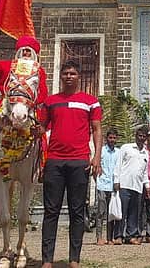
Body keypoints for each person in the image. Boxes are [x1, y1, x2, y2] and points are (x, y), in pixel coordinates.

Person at [40, 60, 103, 268]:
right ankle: (47, 260)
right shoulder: (50, 102)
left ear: (79, 76)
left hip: (79, 161)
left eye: (72, 73)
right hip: (55, 161)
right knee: (51, 212)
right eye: (65, 73)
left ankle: (74, 259)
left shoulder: (90, 102)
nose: (68, 76)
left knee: (77, 211)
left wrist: (96, 157)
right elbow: (41, 128)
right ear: (61, 76)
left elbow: (96, 130)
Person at [0, 36, 49, 120]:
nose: (25, 53)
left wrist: (29, 102)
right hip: (6, 104)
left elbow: (43, 94)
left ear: (33, 53)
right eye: (22, 50)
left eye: (28, 50)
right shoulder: (7, 65)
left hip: (29, 106)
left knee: (41, 129)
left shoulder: (39, 70)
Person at [114, 127, 148, 245]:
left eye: (144, 136)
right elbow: (118, 165)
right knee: (121, 212)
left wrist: (146, 186)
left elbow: (145, 172)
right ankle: (118, 236)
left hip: (137, 187)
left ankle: (131, 235)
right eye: (140, 135)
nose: (141, 138)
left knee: (134, 213)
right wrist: (116, 180)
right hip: (124, 184)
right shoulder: (126, 148)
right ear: (135, 136)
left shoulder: (145, 153)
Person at [94, 129, 121, 245]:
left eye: (114, 138)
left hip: (113, 186)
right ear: (106, 138)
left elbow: (119, 168)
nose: (112, 140)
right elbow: (96, 166)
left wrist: (117, 182)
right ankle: (99, 237)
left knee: (111, 213)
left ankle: (110, 238)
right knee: (101, 212)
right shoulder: (102, 151)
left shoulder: (118, 152)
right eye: (110, 138)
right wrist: (97, 180)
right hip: (102, 185)